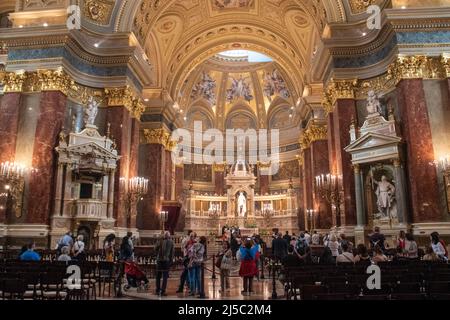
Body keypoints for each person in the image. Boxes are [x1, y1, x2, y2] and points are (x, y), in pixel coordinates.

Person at [155, 231, 174, 296]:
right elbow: (172, 252)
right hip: (166, 261)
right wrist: (171, 260)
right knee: (165, 277)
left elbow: (155, 249)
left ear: (164, 236)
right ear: (169, 236)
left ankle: (157, 290)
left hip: (159, 260)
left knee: (158, 276)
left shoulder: (160, 241)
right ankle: (163, 291)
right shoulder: (171, 242)